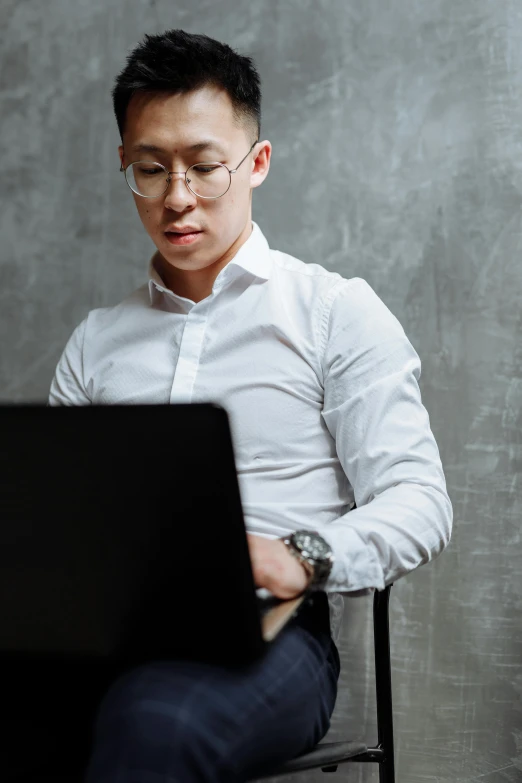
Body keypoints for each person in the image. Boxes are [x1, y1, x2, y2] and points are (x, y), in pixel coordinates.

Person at [47, 28, 453, 783]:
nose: (177, 198)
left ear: (255, 163)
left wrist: (300, 554)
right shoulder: (95, 343)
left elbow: (421, 502)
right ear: (125, 166)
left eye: (204, 167)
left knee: (155, 725)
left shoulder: (334, 312)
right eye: (150, 168)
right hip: (102, 634)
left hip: (271, 637)